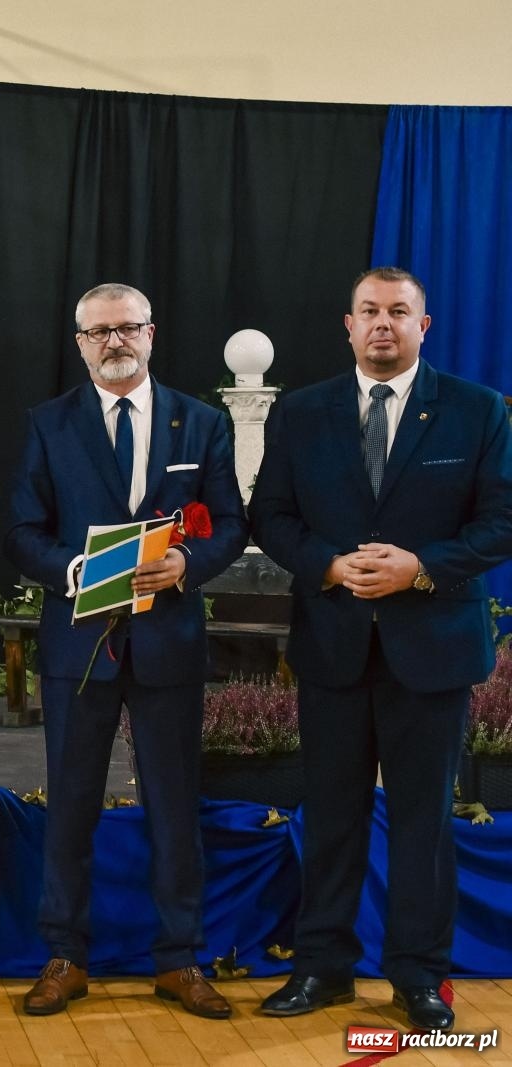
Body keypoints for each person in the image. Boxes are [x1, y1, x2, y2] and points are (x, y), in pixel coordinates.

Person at [250, 268, 512, 1032]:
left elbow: (502, 519)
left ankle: (419, 975)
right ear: (348, 323)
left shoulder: (477, 410)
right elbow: (271, 513)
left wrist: (422, 568)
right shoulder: (301, 414)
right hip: (333, 643)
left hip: (431, 649)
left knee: (425, 822)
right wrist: (330, 564)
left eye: (400, 312)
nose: (384, 324)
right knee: (330, 813)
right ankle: (322, 966)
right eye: (370, 311)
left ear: (424, 326)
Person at [4, 283, 246, 1019]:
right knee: (70, 806)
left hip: (168, 640)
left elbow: (229, 523)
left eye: (127, 328)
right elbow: (20, 532)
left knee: (174, 806)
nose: (115, 341)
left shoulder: (201, 422)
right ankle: (64, 954)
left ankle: (180, 958)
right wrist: (74, 571)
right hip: (79, 644)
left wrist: (188, 564)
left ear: (151, 333)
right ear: (79, 342)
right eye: (99, 331)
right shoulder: (48, 425)